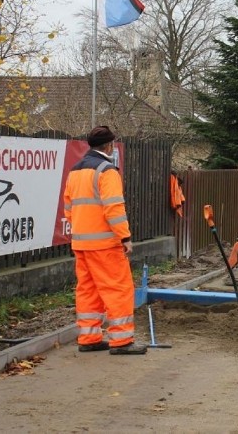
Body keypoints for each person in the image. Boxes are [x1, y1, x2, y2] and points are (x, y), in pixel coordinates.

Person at [63, 126, 147, 355]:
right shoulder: (107, 171)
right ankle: (122, 341)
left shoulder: (75, 171)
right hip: (105, 245)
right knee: (118, 289)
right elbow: (114, 209)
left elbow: (68, 209)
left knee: (87, 290)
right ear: (110, 146)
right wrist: (125, 237)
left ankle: (89, 338)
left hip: (81, 243)